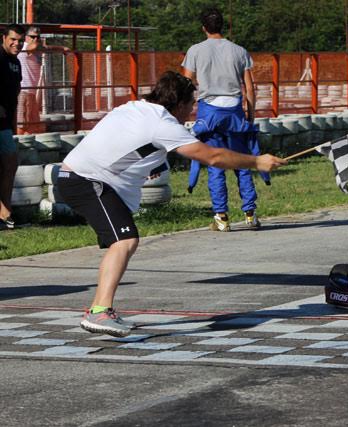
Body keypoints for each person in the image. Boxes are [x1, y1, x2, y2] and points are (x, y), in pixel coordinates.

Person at [56, 71, 286, 337]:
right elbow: (212, 156)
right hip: (87, 180)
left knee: (123, 240)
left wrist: (153, 163)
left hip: (77, 176)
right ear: (178, 104)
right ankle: (99, 312)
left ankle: (99, 309)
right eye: (191, 104)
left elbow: (127, 143)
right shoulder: (163, 124)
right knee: (124, 241)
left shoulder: (135, 107)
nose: (192, 111)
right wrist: (256, 162)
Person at [182, 6, 264, 232]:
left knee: (215, 163)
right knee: (242, 163)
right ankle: (250, 214)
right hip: (235, 111)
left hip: (209, 112)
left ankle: (221, 216)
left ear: (203, 28)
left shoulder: (195, 51)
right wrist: (250, 115)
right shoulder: (239, 51)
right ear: (222, 26)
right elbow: (249, 87)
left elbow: (185, 84)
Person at [17, 26, 70, 135]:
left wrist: (61, 48)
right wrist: (44, 46)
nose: (35, 39)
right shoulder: (25, 47)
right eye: (32, 37)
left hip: (31, 92)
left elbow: (48, 48)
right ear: (26, 37)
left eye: (38, 37)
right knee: (22, 123)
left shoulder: (37, 49)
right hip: (23, 90)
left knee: (33, 124)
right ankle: (20, 143)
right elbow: (38, 46)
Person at [0, 24, 25, 230]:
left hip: (5, 123)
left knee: (10, 163)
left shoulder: (15, 62)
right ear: (4, 38)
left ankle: (5, 211)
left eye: (20, 40)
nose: (17, 43)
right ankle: (4, 211)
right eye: (13, 39)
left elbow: (16, 89)